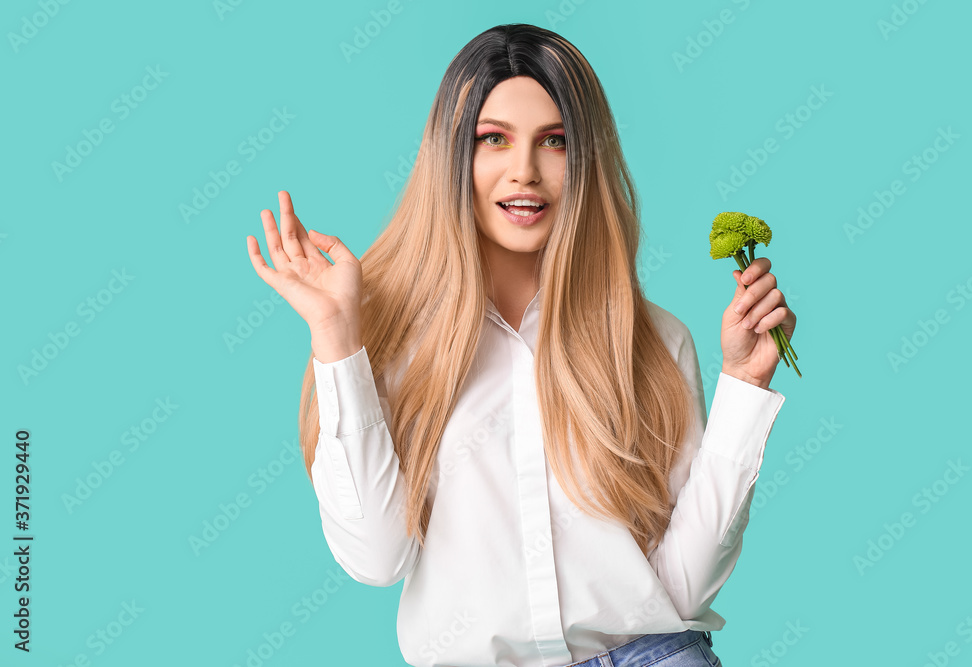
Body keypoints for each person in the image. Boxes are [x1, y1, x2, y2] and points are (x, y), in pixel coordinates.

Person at [245, 23, 794, 667]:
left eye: (555, 141)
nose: (524, 172)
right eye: (493, 140)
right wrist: (337, 338)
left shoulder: (653, 342)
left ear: (585, 161)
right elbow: (376, 558)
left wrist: (744, 385)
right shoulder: (385, 345)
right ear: (453, 157)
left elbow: (683, 588)